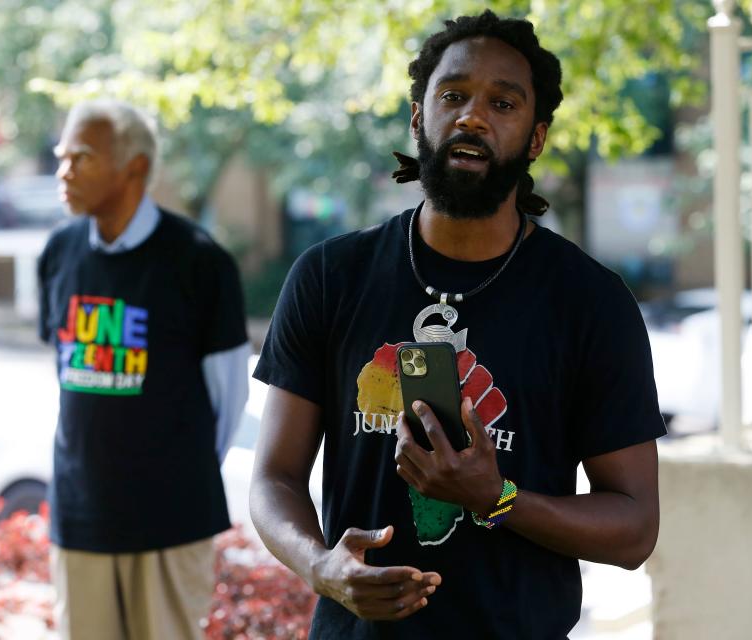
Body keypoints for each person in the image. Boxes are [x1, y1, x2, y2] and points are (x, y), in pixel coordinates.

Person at [250, 11, 665, 639]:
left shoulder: (591, 302)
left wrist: (495, 498)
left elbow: (634, 529)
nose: (473, 116)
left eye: (503, 102)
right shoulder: (330, 276)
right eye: (453, 95)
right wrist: (321, 567)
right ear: (419, 117)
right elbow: (274, 477)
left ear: (535, 139)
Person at [37, 99, 250, 640]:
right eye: (61, 156)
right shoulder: (59, 252)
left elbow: (228, 399)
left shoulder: (200, 261)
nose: (63, 170)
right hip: (79, 517)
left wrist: (176, 477)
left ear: (133, 166)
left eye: (80, 157)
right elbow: (67, 379)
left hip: (170, 523)